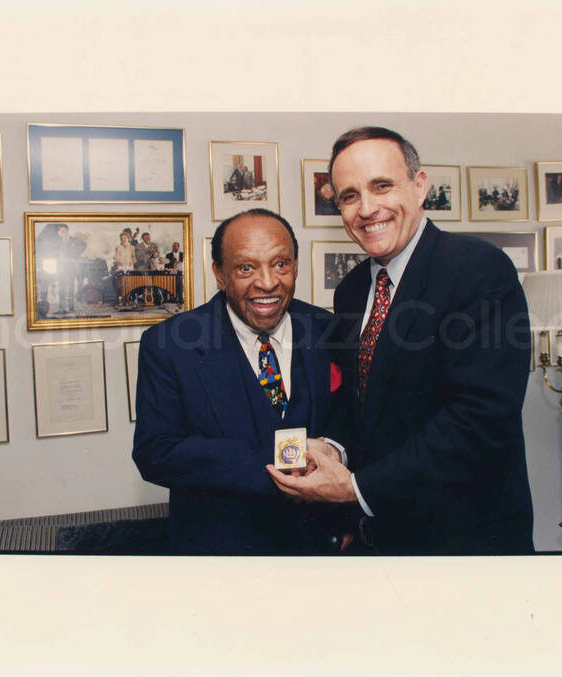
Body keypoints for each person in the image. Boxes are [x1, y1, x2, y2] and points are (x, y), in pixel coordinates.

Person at [267, 126, 534, 555]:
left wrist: (355, 487)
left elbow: (479, 421)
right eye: (350, 196)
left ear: (420, 185)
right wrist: (331, 448)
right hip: (385, 537)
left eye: (382, 186)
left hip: (466, 540)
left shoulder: (479, 270)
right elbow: (363, 404)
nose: (367, 209)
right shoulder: (352, 289)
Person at [132, 209, 343, 554]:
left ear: (296, 265)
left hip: (319, 549)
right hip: (221, 555)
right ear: (219, 273)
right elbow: (156, 452)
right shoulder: (170, 344)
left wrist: (335, 452)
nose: (267, 283)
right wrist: (287, 456)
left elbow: (349, 419)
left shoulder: (328, 328)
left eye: (280, 264)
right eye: (246, 268)